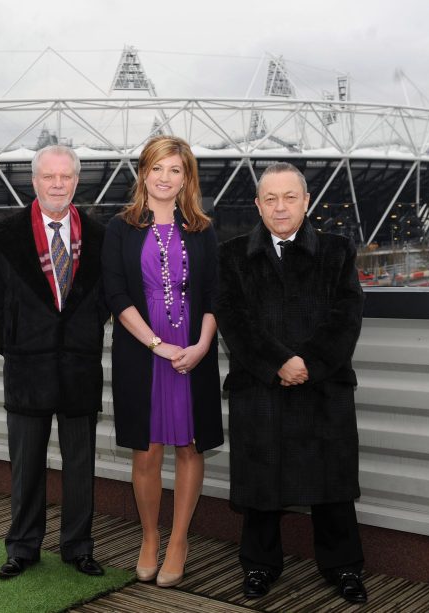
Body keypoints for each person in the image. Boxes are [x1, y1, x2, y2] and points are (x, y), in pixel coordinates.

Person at [215, 162, 368, 604]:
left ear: (306, 201)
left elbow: (347, 317)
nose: (280, 207)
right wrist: (278, 363)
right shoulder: (233, 255)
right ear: (259, 205)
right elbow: (234, 321)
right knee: (262, 483)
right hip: (260, 387)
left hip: (324, 387)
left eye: (289, 197)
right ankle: (260, 565)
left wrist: (309, 364)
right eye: (271, 198)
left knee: (332, 484)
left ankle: (344, 568)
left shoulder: (338, 251)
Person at [0, 144, 109, 580]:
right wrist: (14, 344)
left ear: (76, 181)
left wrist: (81, 334)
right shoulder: (7, 235)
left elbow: (104, 300)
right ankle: (23, 547)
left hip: (79, 369)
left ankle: (78, 546)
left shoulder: (99, 236)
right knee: (26, 466)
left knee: (80, 466)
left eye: (65, 176)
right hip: (27, 370)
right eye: (48, 177)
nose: (57, 184)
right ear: (34, 182)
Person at [102, 135, 223, 588]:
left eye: (176, 170)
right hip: (143, 350)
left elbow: (214, 293)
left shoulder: (203, 228)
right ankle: (150, 537)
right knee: (147, 449)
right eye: (157, 168)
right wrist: (157, 344)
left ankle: (179, 540)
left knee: (190, 445)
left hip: (194, 348)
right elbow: (115, 294)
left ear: (186, 177)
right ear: (143, 173)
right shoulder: (121, 227)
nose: (165, 178)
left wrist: (201, 346)